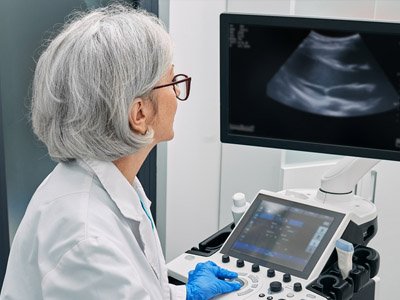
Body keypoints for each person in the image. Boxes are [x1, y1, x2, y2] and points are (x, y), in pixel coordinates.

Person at [0, 5, 241, 300]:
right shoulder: (86, 240)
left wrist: (181, 296)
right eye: (173, 81)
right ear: (139, 114)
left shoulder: (109, 181)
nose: (178, 95)